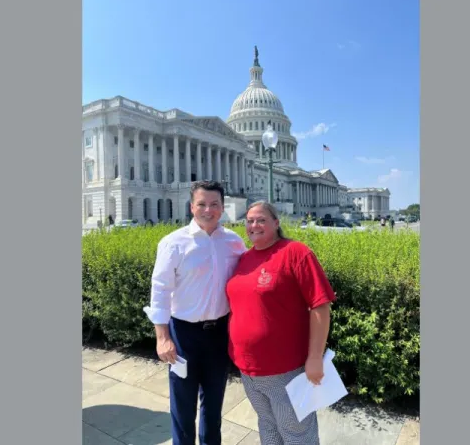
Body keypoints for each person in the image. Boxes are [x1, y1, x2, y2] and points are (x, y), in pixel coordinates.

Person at [143, 180, 248, 445]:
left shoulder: (234, 242)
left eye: (214, 204)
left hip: (219, 335)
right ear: (192, 207)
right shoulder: (173, 242)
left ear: (223, 207)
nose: (208, 210)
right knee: (182, 407)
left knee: (213, 408)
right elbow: (160, 289)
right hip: (183, 335)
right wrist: (162, 337)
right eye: (201, 204)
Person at [225, 201, 337, 445]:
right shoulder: (244, 259)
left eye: (261, 220)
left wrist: (315, 357)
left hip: (285, 370)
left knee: (297, 434)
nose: (254, 225)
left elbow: (320, 305)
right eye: (250, 220)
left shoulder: (295, 253)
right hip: (247, 368)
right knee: (268, 427)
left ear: (276, 223)